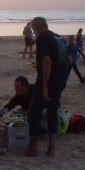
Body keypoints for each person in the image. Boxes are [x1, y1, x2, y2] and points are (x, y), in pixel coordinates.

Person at [23, 17, 70, 157]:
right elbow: (70, 61)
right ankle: (52, 148)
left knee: (34, 113)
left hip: (47, 81)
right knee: (52, 113)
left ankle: (32, 148)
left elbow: (47, 61)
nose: (33, 32)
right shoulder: (60, 39)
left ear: (37, 26)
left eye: (32, 29)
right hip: (60, 80)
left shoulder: (43, 38)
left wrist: (44, 85)